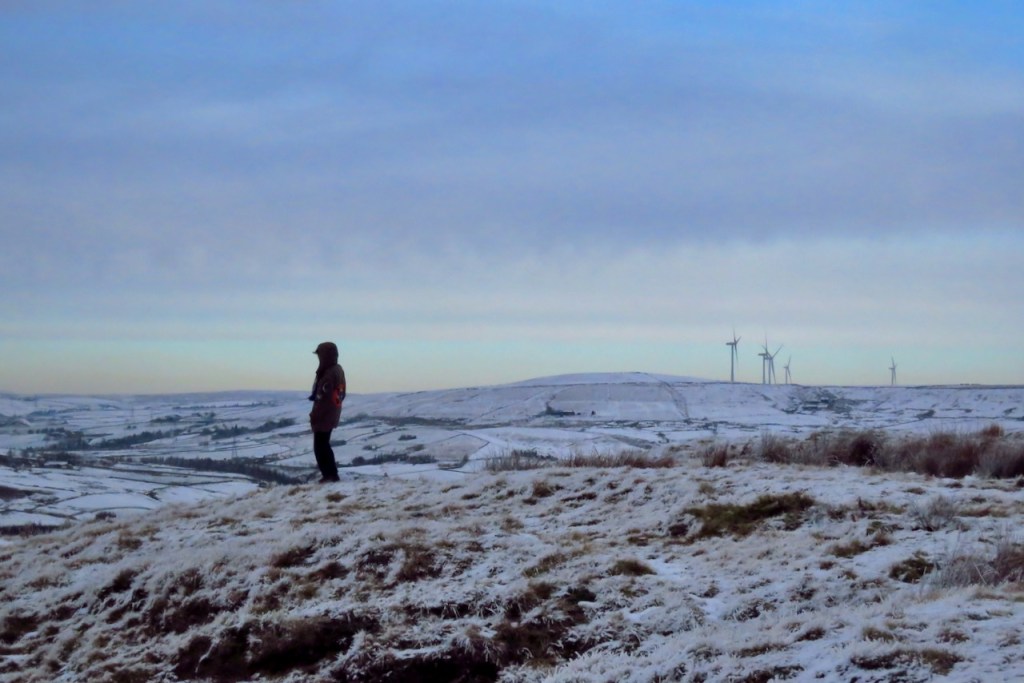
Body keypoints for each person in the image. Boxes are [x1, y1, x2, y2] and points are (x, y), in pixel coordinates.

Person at [309, 341, 346, 482]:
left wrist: (315, 415)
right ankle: (331, 474)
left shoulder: (329, 374)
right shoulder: (337, 370)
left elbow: (323, 398)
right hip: (332, 413)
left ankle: (329, 475)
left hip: (325, 415)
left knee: (320, 447)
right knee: (324, 445)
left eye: (320, 355)